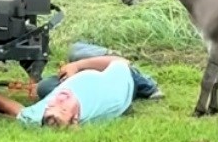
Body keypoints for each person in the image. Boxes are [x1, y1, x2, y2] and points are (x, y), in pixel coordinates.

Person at [0, 53, 141, 127]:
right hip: (128, 76)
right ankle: (148, 86)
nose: (58, 99)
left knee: (44, 88)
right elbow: (121, 62)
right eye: (63, 109)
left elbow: (18, 111)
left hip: (81, 79)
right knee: (77, 50)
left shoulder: (46, 113)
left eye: (51, 106)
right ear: (75, 118)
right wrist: (78, 65)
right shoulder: (104, 90)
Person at [35, 41, 163, 101]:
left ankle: (106, 58)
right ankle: (145, 84)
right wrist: (76, 67)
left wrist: (75, 67)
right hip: (111, 81)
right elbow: (122, 63)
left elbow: (123, 62)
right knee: (45, 87)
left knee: (75, 50)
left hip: (96, 80)